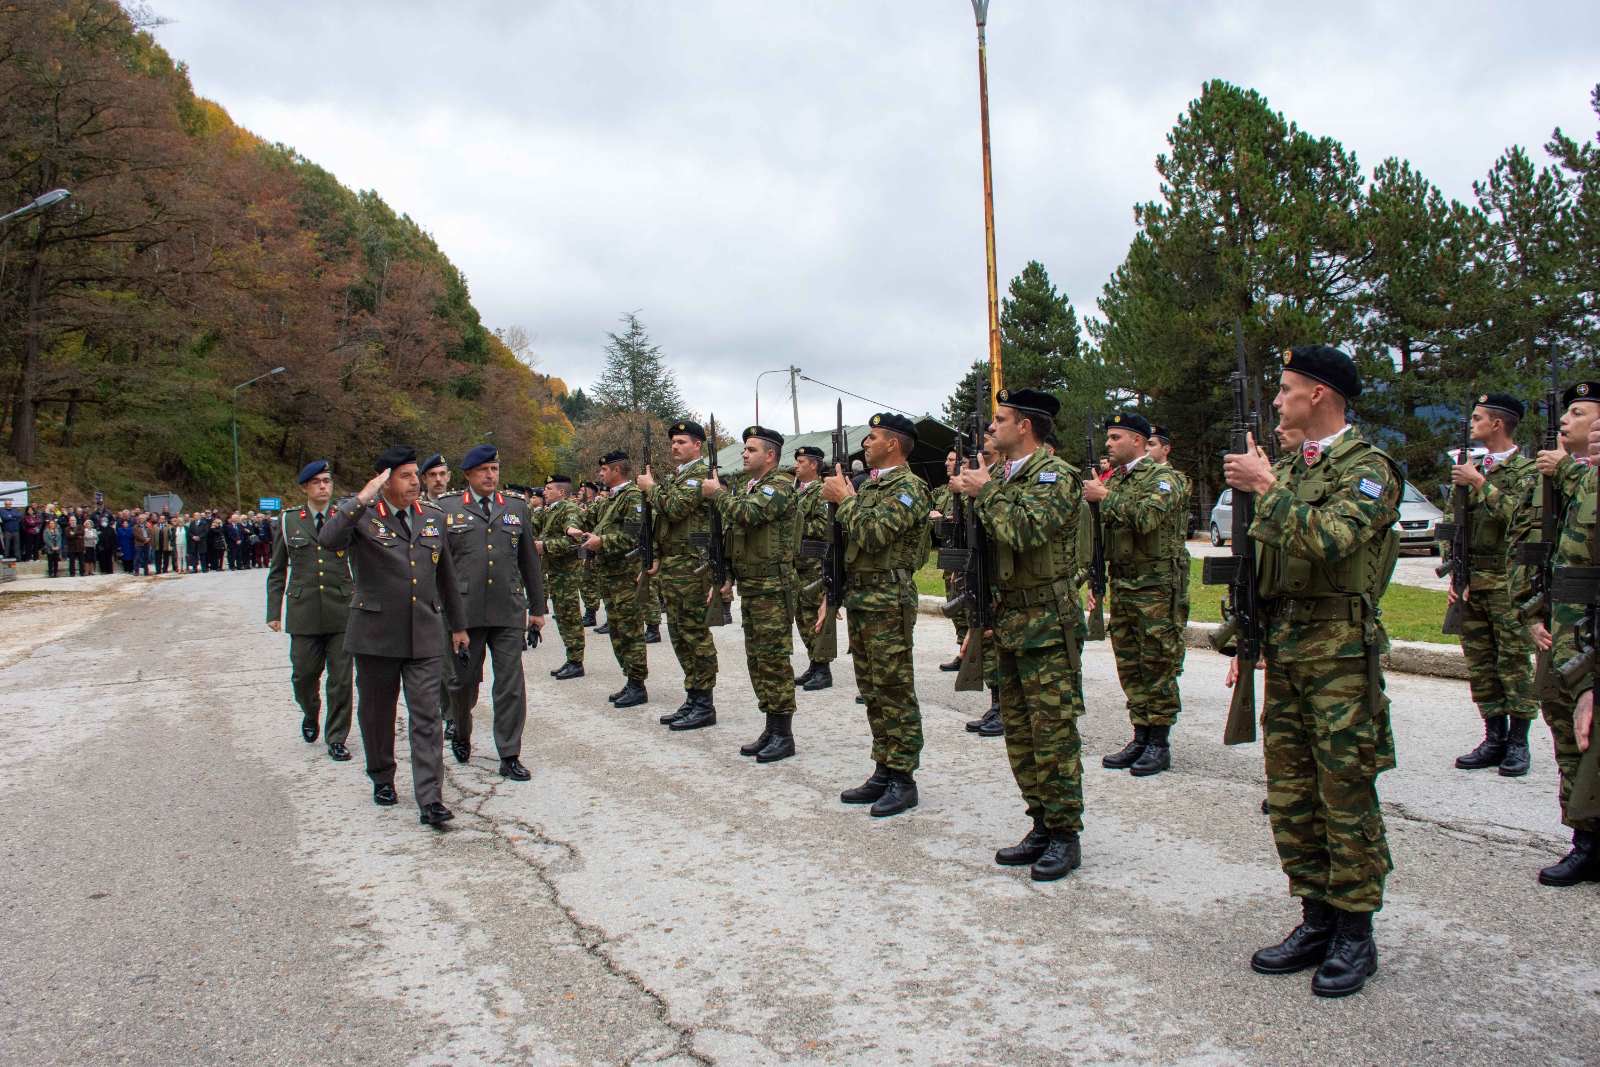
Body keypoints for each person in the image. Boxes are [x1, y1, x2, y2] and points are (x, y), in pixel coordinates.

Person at [1222, 344, 1401, 998]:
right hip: (1287, 646)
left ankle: (1356, 931)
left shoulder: (1370, 469)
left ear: (1319, 394)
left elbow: (1331, 538)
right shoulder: (1294, 467)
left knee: (1344, 793)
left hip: (1341, 655)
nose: (1277, 401)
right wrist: (1245, 638)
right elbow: (1264, 564)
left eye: (1287, 389)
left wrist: (1265, 486)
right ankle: (1316, 916)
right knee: (1293, 795)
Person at [950, 388, 1086, 879]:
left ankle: (1065, 834)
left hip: (1046, 624)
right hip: (1008, 620)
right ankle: (1041, 823)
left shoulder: (1055, 476)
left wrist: (985, 492)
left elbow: (1026, 532)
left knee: (1052, 734)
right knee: (1021, 735)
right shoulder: (1004, 477)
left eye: (1000, 419)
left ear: (1025, 426)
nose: (992, 428)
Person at [318, 446, 468, 825]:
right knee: (376, 713)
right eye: (405, 476)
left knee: (427, 716)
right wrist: (361, 499)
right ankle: (382, 776)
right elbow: (328, 539)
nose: (415, 482)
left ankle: (430, 798)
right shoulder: (363, 516)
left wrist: (458, 626)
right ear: (384, 482)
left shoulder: (433, 517)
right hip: (376, 635)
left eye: (416, 474)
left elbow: (446, 577)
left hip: (424, 632)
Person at [824, 413, 932, 815]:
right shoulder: (869, 486)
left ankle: (903, 777)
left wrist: (845, 500)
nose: (866, 443)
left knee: (894, 689)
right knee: (871, 688)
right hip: (862, 596)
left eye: (872, 437)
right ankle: (884, 767)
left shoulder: (910, 488)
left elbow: (874, 534)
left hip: (888, 598)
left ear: (893, 443)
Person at [1082, 411, 1187, 777]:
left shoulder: (1164, 478)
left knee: (1157, 663)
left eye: (1116, 438)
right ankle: (1140, 735)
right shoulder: (1117, 480)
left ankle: (1159, 741)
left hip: (1155, 588)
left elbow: (1147, 517)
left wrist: (1105, 496)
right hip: (1124, 584)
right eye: (1108, 437)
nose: (1109, 444)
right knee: (1129, 663)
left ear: (1138, 441)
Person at [1525, 379, 1600, 886]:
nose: (1566, 421)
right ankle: (1585, 839)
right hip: (1561, 633)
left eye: (1579, 412)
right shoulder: (1556, 480)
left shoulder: (1578, 478)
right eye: (1566, 412)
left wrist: (1570, 471)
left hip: (1590, 636)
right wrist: (1532, 614)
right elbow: (1536, 551)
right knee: (1567, 740)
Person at [1443, 393, 1539, 776]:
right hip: (1472, 581)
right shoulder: (1469, 468)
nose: (1472, 423)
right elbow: (1452, 523)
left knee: (1513, 662)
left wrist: (1480, 482)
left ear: (1497, 424)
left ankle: (1518, 742)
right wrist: (1454, 572)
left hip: (1508, 581)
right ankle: (1493, 737)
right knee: (1481, 664)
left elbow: (1519, 519)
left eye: (1478, 417)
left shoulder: (1527, 472)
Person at [440, 445, 545, 779]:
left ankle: (509, 753)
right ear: (468, 474)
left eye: (495, 469)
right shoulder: (447, 508)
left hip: (507, 609)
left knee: (510, 684)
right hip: (464, 613)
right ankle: (461, 729)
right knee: (462, 683)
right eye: (484, 470)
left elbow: (529, 560)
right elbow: (438, 566)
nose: (490, 475)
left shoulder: (515, 507)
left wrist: (537, 608)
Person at [705, 426, 798, 761]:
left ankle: (783, 733)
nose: (744, 454)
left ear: (770, 455)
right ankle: (771, 727)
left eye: (751, 449)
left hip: (772, 588)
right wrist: (727, 576)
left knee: (774, 661)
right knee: (757, 660)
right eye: (744, 449)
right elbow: (735, 536)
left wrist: (717, 494)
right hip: (753, 587)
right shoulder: (751, 488)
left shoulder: (780, 486)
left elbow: (749, 515)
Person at [267, 460, 357, 761]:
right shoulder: (289, 520)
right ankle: (310, 710)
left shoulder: (344, 518)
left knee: (341, 680)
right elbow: (277, 569)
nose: (323, 486)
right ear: (305, 487)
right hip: (303, 611)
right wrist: (273, 611)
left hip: (341, 609)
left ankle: (336, 737)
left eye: (327, 481)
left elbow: (361, 563)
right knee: (303, 676)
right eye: (317, 482)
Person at [637, 420, 722, 730]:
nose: (675, 446)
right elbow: (662, 522)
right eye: (673, 442)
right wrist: (656, 555)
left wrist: (651, 488)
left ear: (697, 445)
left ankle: (704, 703)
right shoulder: (678, 477)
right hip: (674, 567)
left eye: (682, 442)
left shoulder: (699, 476)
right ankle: (693, 695)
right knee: (678, 633)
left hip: (692, 567)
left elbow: (674, 509)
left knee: (695, 634)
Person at [567, 452, 649, 708]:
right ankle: (630, 678)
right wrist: (574, 527)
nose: (600, 474)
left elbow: (633, 537)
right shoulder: (611, 499)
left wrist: (602, 541)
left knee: (630, 630)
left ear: (616, 470)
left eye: (604, 470)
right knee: (616, 630)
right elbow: (586, 516)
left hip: (626, 575)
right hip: (610, 575)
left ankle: (637, 683)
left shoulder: (633, 496)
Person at [790, 444, 836, 692]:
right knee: (802, 617)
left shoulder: (820, 492)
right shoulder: (797, 492)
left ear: (814, 465)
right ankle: (814, 662)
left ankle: (823, 669)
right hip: (798, 565)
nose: (796, 466)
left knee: (814, 616)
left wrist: (794, 528)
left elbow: (823, 526)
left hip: (814, 566)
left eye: (801, 462)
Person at [536, 475, 587, 680]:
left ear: (562, 492)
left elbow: (575, 540)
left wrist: (545, 546)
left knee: (570, 616)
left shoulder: (569, 509)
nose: (544, 492)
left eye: (549, 489)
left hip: (567, 572)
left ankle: (576, 661)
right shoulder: (551, 510)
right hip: (556, 572)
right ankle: (571, 658)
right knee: (562, 615)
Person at [1147, 425, 1193, 636]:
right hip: (1148, 565)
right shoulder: (1142, 479)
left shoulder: (1175, 479)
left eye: (1151, 444)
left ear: (1166, 449)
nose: (1146, 449)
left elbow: (1150, 516)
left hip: (1169, 565)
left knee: (1169, 628)